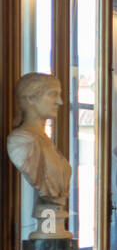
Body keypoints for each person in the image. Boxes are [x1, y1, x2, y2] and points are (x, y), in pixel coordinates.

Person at [7, 72, 73, 239]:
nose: (60, 102)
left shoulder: (45, 141)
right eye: (52, 94)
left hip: (54, 221)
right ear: (31, 98)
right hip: (47, 227)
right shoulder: (22, 142)